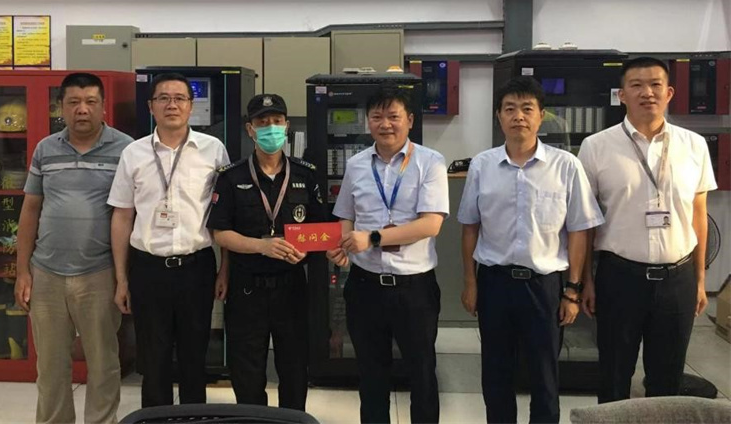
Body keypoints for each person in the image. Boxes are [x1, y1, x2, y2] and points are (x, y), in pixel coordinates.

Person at [458, 76, 603, 424]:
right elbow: (470, 227)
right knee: (495, 374)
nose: (518, 116)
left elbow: (579, 230)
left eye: (527, 109)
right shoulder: (482, 165)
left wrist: (572, 290)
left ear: (541, 116)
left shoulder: (566, 165)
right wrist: (470, 283)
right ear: (499, 116)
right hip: (494, 283)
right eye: (510, 109)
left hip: (544, 286)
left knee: (544, 376)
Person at [578, 57, 717, 403]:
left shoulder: (693, 145)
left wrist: (700, 280)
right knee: (613, 375)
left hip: (678, 278)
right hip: (619, 277)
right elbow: (585, 221)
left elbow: (698, 215)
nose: (647, 93)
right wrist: (586, 281)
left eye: (655, 85)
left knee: (667, 380)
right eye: (637, 85)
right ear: (621, 94)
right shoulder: (596, 147)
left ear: (669, 93)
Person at [14, 72, 133, 424]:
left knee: (103, 363)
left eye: (91, 102)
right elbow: (30, 210)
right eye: (74, 102)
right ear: (61, 108)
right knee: (50, 366)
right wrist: (22, 271)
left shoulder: (125, 149)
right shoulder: (46, 149)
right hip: (46, 274)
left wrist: (124, 277)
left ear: (103, 107)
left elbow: (130, 213)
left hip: (100, 273)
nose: (82, 109)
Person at [327, 85, 448, 424]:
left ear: (409, 120)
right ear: (368, 122)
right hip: (365, 286)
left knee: (421, 373)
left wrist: (373, 238)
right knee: (370, 373)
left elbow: (431, 224)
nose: (385, 124)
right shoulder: (356, 164)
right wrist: (341, 245)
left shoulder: (430, 162)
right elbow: (346, 215)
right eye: (377, 117)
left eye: (393, 116)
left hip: (414, 288)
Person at [108, 72, 229, 407]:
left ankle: (193, 416)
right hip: (147, 269)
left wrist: (225, 269)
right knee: (153, 359)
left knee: (194, 357)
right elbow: (122, 216)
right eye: (163, 98)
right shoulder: (133, 153)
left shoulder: (213, 150)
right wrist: (121, 279)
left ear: (191, 106)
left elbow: (225, 216)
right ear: (151, 106)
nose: (172, 105)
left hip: (196, 267)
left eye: (179, 98)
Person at [208, 93, 326, 410]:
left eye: (276, 121)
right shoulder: (231, 177)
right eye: (262, 122)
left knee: (294, 369)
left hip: (291, 288)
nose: (270, 128)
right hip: (247, 290)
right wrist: (261, 245)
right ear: (250, 129)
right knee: (247, 373)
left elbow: (320, 228)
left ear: (286, 127)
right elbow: (220, 233)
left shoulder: (305, 174)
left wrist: (306, 250)